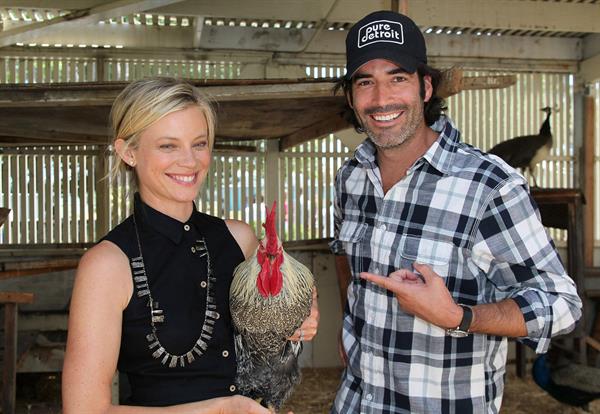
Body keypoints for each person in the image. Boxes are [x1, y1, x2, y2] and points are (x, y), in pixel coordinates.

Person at [330, 10, 582, 414]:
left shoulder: (489, 185)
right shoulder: (351, 178)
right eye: (365, 82)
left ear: (426, 87)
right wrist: (350, 327)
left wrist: (458, 316)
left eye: (398, 78)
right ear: (350, 97)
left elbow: (562, 304)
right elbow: (343, 254)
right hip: (356, 403)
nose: (381, 99)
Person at [62, 77, 318, 413]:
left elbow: (292, 294)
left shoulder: (239, 239)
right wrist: (220, 410)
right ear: (128, 152)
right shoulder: (108, 264)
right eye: (168, 146)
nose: (190, 161)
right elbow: (83, 410)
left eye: (199, 144)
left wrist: (306, 313)